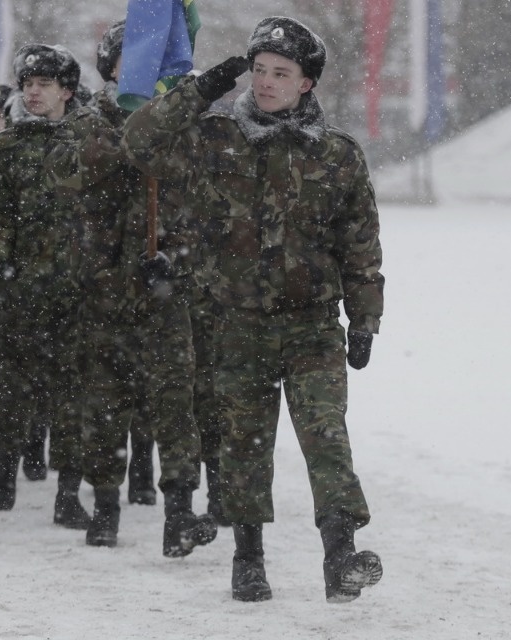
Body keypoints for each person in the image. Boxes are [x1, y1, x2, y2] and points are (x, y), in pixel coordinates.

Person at [122, 16, 385, 603]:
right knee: (244, 441)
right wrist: (199, 89)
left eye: (280, 74)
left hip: (313, 324)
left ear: (306, 84)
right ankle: (248, 558)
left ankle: (340, 554)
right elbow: (138, 141)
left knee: (326, 439)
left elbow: (360, 245)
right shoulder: (212, 138)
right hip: (234, 322)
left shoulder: (336, 156)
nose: (265, 83)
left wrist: (366, 318)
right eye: (259, 71)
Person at [48, 20, 217, 555]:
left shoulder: (192, 129)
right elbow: (64, 176)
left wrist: (179, 260)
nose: (145, 70)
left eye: (159, 61)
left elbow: (209, 203)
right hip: (101, 291)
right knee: (104, 406)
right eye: (133, 59)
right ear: (111, 66)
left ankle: (179, 513)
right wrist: (132, 134)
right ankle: (104, 505)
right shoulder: (84, 124)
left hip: (168, 293)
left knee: (175, 407)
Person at [0, 43, 90, 529]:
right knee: (14, 385)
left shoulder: (91, 144)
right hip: (21, 287)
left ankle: (68, 493)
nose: (34, 92)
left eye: (44, 84)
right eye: (28, 84)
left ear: (67, 90)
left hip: (77, 288)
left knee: (73, 394)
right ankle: (4, 465)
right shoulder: (5, 147)